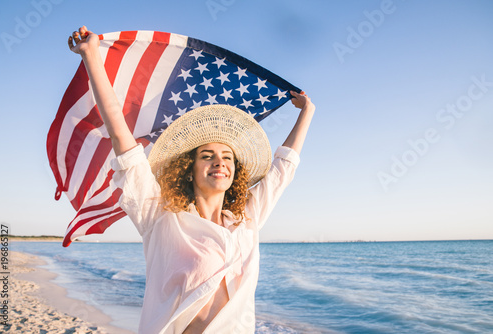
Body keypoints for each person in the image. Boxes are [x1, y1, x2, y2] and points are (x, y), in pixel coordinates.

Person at [68, 26, 315, 334]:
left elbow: (283, 170)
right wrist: (91, 56)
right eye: (207, 155)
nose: (219, 162)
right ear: (190, 167)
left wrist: (307, 113)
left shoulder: (247, 220)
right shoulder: (160, 217)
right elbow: (122, 137)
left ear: (235, 171)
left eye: (227, 157)